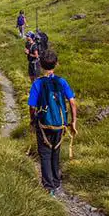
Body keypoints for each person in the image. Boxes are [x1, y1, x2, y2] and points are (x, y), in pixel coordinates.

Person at [28, 49, 77, 195]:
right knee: (56, 151)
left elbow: (32, 106)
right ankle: (56, 182)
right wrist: (73, 122)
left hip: (43, 124)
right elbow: (72, 103)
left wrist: (32, 120)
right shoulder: (62, 81)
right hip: (60, 124)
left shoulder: (37, 84)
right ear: (56, 64)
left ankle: (49, 187)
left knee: (45, 153)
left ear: (41, 65)